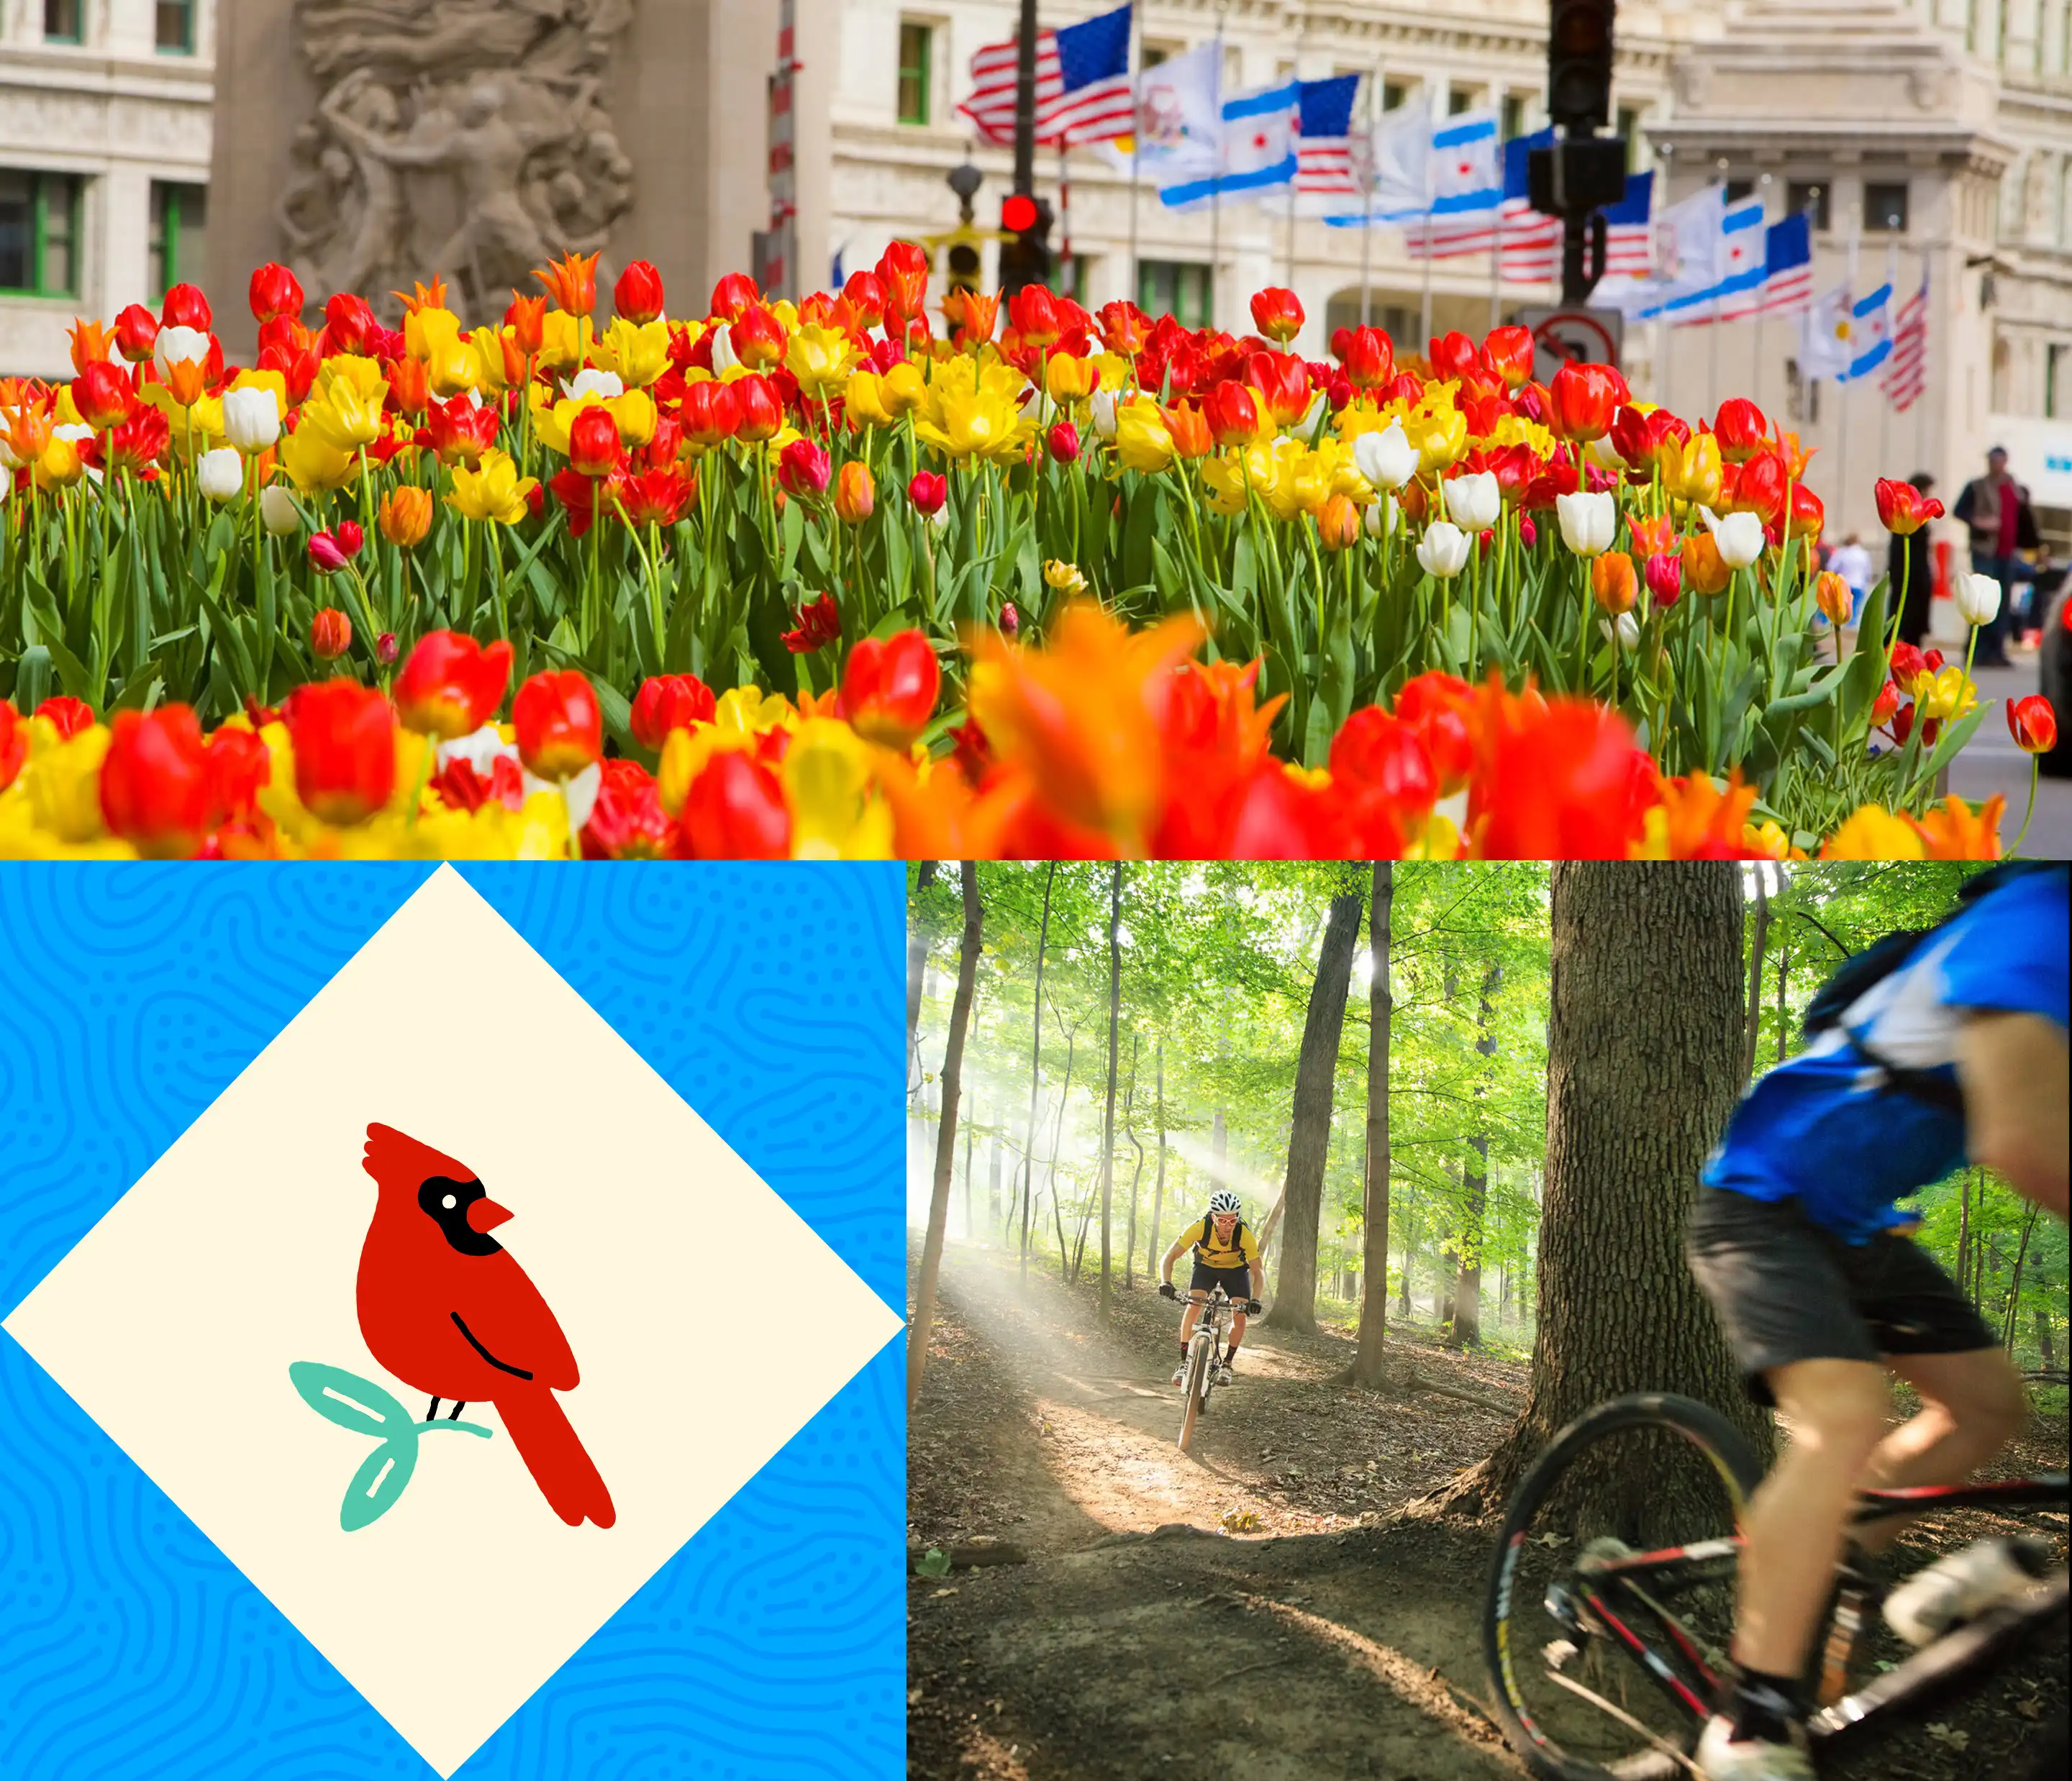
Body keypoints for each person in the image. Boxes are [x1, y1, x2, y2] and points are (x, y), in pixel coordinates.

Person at [1686, 864, 2070, 1781]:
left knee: (1986, 1407)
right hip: (1762, 1203)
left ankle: (1840, 1555)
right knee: (1847, 1415)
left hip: (1859, 1223)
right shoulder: (2041, 915)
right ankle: (1751, 1717)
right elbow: (2018, 1137)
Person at [1158, 1189, 1264, 1388]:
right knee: (1193, 1306)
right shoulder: (1200, 1227)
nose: (1228, 1226)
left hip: (1235, 1271)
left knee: (1239, 1314)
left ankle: (1227, 1364)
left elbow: (1259, 1272)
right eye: (1223, 1220)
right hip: (1205, 1268)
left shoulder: (1244, 1235)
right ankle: (1183, 1364)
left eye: (1232, 1221)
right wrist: (1166, 1282)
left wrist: (1256, 1300)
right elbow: (1169, 1257)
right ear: (1214, 1217)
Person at [1953, 447, 2040, 666]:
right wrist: (1979, 522)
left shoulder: (2015, 488)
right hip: (1985, 550)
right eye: (1993, 461)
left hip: (2008, 553)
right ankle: (1977, 650)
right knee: (1979, 601)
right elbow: (1959, 510)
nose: (1996, 465)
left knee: (2001, 604)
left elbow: (2024, 517)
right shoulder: (1978, 486)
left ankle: (1997, 650)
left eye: (2000, 461)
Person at [1889, 472, 1938, 650]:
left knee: (1911, 614)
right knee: (1906, 612)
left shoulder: (1916, 513)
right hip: (1910, 573)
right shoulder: (1908, 513)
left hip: (1915, 571)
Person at [1827, 532, 1873, 624]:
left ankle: (1841, 627)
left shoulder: (1842, 553)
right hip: (1859, 584)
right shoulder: (1863, 554)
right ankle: (1851, 626)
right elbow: (1868, 571)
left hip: (1845, 584)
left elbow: (1831, 567)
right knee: (1854, 609)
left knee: (1842, 607)